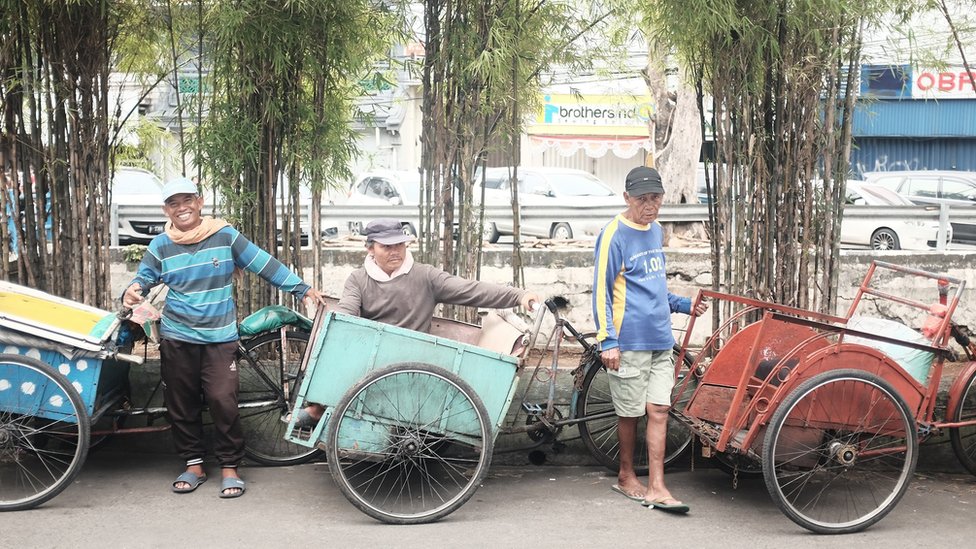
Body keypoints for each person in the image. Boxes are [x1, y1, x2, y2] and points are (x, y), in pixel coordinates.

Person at [122, 177, 326, 498]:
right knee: (181, 402)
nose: (182, 208)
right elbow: (142, 279)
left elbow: (264, 264)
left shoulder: (224, 237)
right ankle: (194, 464)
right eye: (173, 203)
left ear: (200, 202)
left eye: (187, 200)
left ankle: (230, 466)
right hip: (177, 336)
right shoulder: (161, 245)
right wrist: (133, 291)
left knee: (222, 400)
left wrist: (301, 288)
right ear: (166, 210)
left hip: (219, 336)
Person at [292, 218, 539, 427]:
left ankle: (316, 410)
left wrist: (518, 296)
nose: (395, 251)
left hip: (414, 364)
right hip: (372, 363)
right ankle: (318, 406)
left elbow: (470, 290)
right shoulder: (358, 280)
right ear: (370, 249)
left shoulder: (425, 276)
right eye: (386, 246)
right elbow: (346, 313)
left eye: (400, 244)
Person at [592, 166, 707, 514]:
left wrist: (685, 305)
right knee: (629, 414)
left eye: (655, 198)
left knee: (659, 409)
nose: (650, 205)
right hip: (628, 341)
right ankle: (626, 475)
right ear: (627, 198)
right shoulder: (613, 234)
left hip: (660, 339)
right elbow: (601, 290)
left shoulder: (656, 231)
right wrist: (607, 340)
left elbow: (653, 287)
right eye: (642, 199)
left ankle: (657, 486)